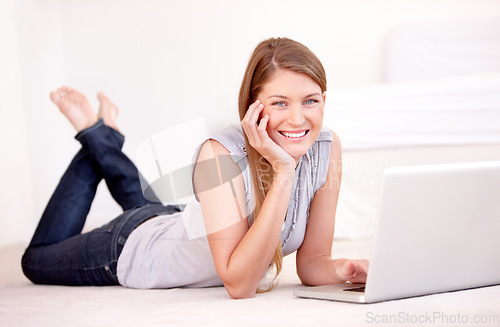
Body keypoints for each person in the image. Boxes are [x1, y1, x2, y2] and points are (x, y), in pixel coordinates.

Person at [22, 37, 368, 299]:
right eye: (280, 103)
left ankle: (103, 134)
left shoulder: (325, 147)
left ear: (325, 99)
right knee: (35, 261)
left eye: (311, 100)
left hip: (175, 218)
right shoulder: (218, 155)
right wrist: (283, 171)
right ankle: (97, 135)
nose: (298, 118)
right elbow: (239, 283)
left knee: (154, 207)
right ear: (253, 107)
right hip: (132, 248)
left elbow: (313, 262)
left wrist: (345, 269)